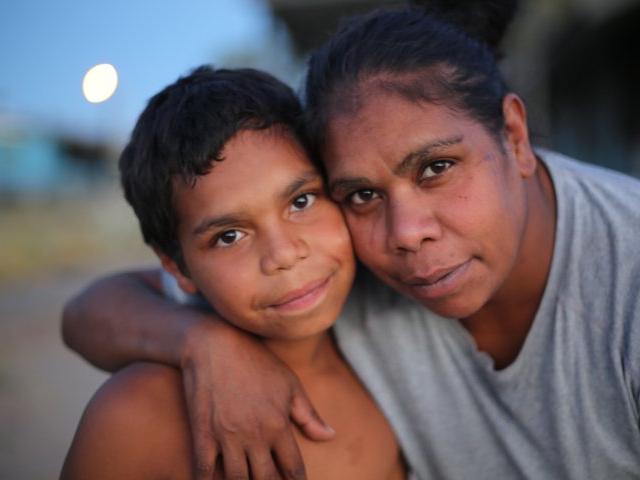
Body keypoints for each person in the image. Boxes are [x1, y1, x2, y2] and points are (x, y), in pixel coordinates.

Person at [62, 4, 640, 479]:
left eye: (438, 168)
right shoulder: (339, 268)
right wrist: (201, 344)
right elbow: (90, 311)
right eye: (359, 194)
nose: (406, 233)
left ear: (516, 137)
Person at [59, 66, 408, 480]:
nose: (282, 254)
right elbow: (82, 313)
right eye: (229, 236)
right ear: (177, 266)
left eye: (301, 201)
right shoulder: (137, 414)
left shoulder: (391, 353)